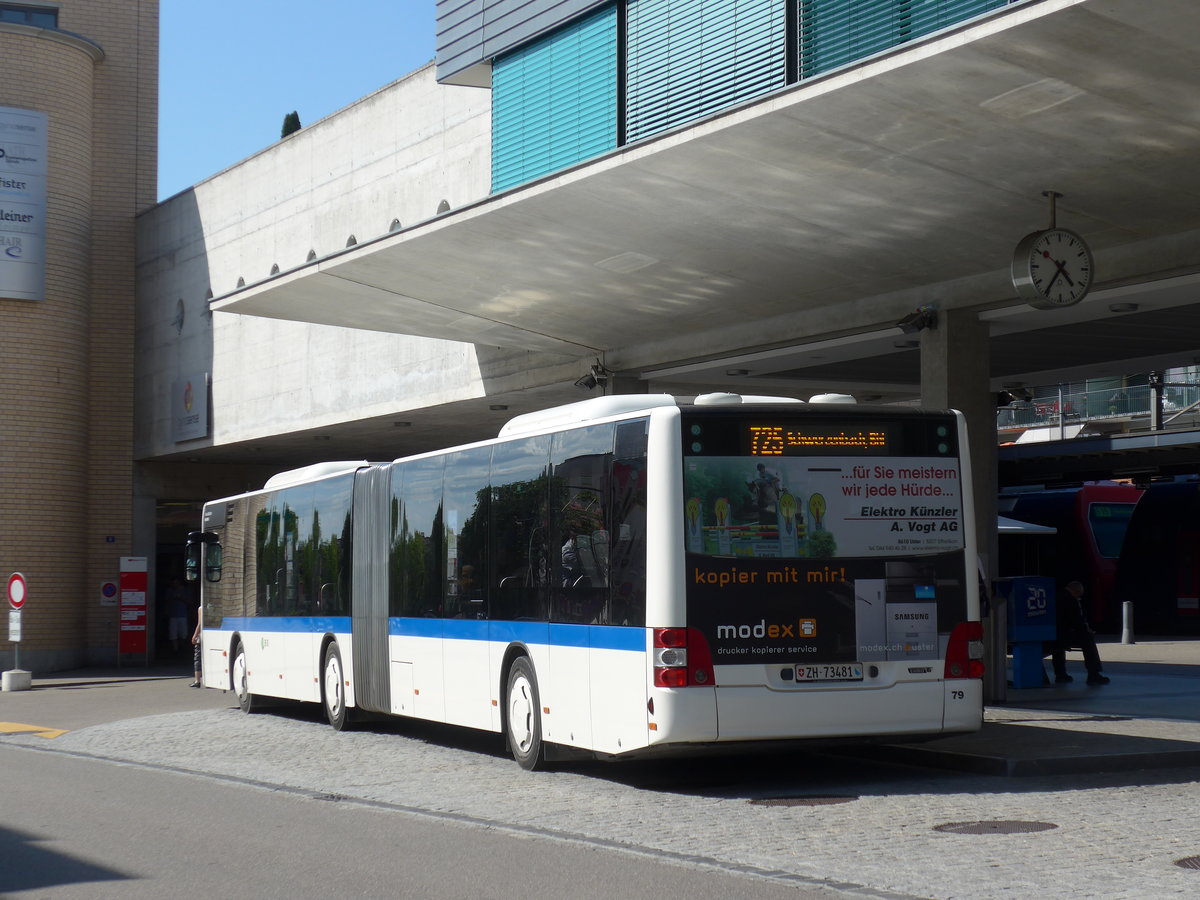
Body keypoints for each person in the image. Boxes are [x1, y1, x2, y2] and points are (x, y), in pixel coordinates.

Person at [1051, 580, 1109, 685]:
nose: (1078, 598)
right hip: (1063, 635)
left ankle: (1060, 674)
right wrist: (1088, 630)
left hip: (1050, 635)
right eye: (1079, 596)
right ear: (1076, 591)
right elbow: (1077, 621)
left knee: (1058, 647)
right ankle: (1093, 674)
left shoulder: (1054, 596)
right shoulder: (1071, 599)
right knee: (1088, 640)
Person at [165, 577, 188, 653]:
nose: (175, 585)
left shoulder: (185, 590)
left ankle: (182, 649)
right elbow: (166, 601)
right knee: (173, 634)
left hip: (183, 615)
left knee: (183, 634)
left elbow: (190, 602)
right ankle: (175, 650)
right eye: (173, 583)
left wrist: (181, 598)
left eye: (176, 583)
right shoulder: (170, 591)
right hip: (172, 615)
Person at [189, 604, 202, 688]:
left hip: (202, 636)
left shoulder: (201, 608)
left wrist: (194, 635)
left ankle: (197, 680)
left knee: (197, 657)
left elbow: (200, 624)